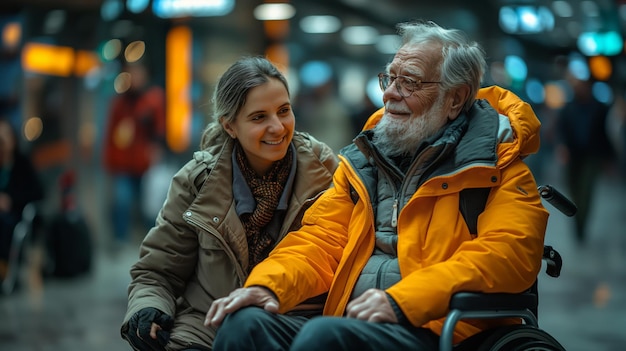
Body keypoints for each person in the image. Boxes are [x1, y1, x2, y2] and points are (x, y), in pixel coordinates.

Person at [205, 20, 549, 351]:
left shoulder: (498, 169)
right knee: (244, 325)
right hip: (351, 321)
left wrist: (403, 302)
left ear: (455, 99)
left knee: (325, 338)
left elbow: (507, 255)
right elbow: (321, 240)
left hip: (438, 329)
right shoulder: (364, 162)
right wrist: (270, 285)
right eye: (390, 78)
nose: (390, 94)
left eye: (409, 82)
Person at [120, 56, 339, 351]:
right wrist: (147, 308)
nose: (277, 127)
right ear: (230, 125)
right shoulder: (197, 182)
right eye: (259, 117)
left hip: (295, 324)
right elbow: (158, 270)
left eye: (284, 111)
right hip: (208, 324)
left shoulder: (324, 172)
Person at [103, 60, 166, 248]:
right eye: (131, 74)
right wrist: (110, 160)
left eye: (137, 73)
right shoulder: (120, 103)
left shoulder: (152, 99)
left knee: (148, 203)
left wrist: (156, 151)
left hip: (145, 163)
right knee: (122, 200)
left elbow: (159, 129)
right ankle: (120, 238)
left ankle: (151, 238)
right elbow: (113, 133)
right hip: (123, 162)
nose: (134, 78)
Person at [555, 73, 614, 243]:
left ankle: (581, 225)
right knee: (573, 191)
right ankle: (577, 222)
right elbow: (562, 129)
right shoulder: (568, 107)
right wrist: (562, 147)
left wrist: (608, 158)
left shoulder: (599, 108)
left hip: (592, 155)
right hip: (573, 155)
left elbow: (604, 133)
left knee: (586, 191)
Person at [0, 118, 45, 282]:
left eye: (4, 137)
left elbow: (38, 192)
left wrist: (10, 200)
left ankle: (5, 270)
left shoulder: (22, 164)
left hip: (14, 215)